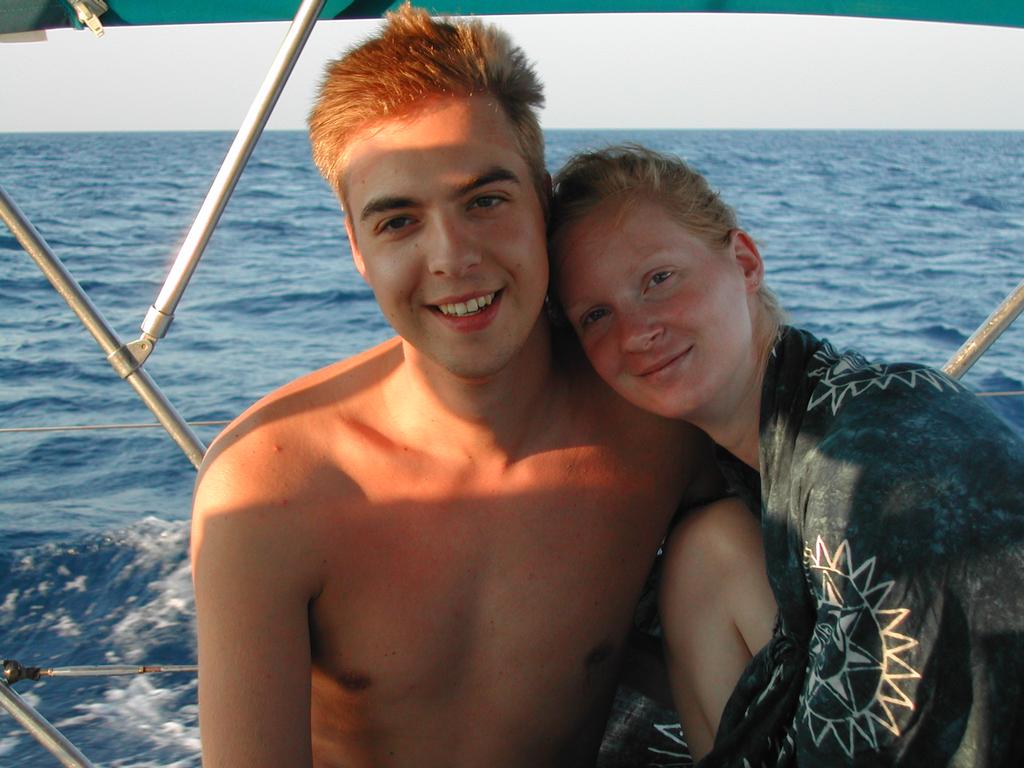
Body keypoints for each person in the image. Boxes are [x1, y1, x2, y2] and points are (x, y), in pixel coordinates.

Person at [190, 11, 720, 768]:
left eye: (485, 201)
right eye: (399, 221)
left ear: (542, 199)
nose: (453, 258)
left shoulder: (657, 425)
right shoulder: (270, 490)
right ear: (356, 247)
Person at [549, 144, 1024, 765]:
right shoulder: (820, 410)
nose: (636, 332)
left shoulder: (865, 478)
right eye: (596, 315)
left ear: (745, 262)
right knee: (708, 551)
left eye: (659, 279)